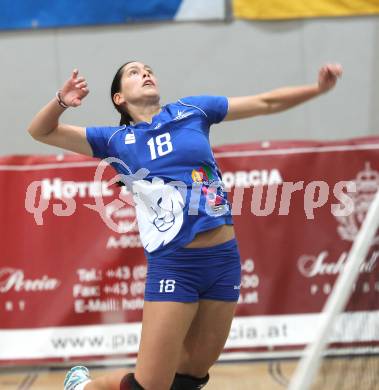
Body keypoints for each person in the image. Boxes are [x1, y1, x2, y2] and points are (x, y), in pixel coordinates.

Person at [27, 61, 342, 390]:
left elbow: (265, 102)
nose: (145, 73)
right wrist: (61, 101)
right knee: (150, 385)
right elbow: (40, 131)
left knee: (192, 373)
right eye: (134, 72)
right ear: (119, 98)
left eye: (148, 69)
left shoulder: (194, 110)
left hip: (223, 260)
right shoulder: (116, 140)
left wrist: (318, 89)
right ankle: (82, 387)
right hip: (175, 265)